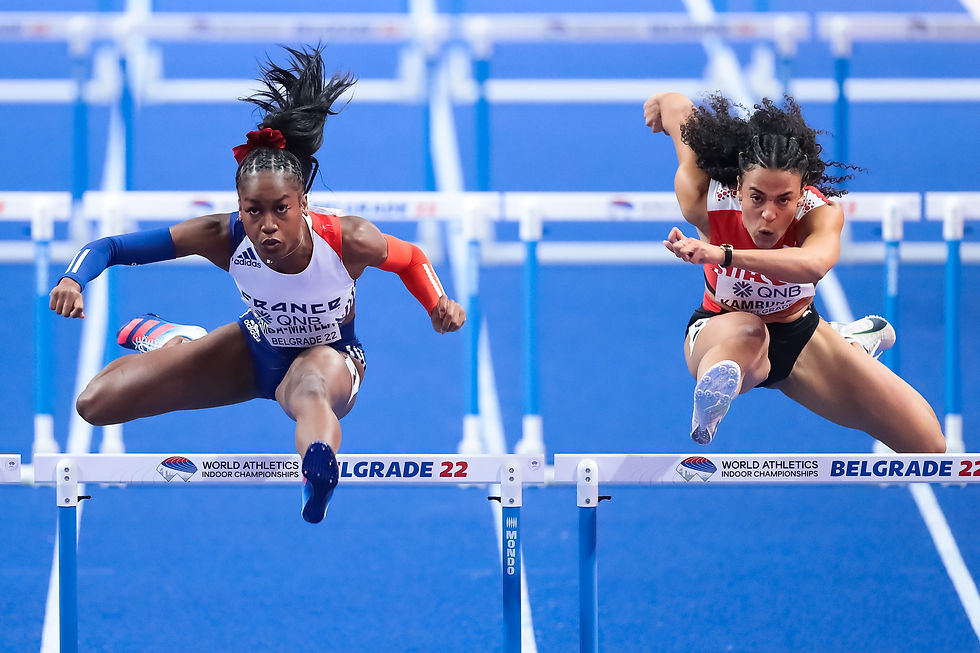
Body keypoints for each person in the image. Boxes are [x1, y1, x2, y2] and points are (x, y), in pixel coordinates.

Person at [49, 46, 466, 522]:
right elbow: (112, 247)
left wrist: (438, 302)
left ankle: (317, 474)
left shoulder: (347, 239)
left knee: (308, 387)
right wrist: (72, 277)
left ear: (303, 202)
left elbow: (411, 258)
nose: (267, 226)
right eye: (253, 212)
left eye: (281, 210)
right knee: (96, 405)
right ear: (239, 207)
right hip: (254, 350)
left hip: (332, 359)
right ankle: (178, 340)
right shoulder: (220, 237)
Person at [643, 91, 945, 453]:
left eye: (783, 200)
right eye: (757, 198)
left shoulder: (820, 214)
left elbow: (813, 266)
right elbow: (681, 112)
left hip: (798, 334)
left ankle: (846, 343)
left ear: (802, 193)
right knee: (751, 333)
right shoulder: (702, 197)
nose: (769, 214)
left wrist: (723, 255)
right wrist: (661, 104)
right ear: (738, 187)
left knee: (928, 447)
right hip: (719, 329)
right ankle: (711, 401)